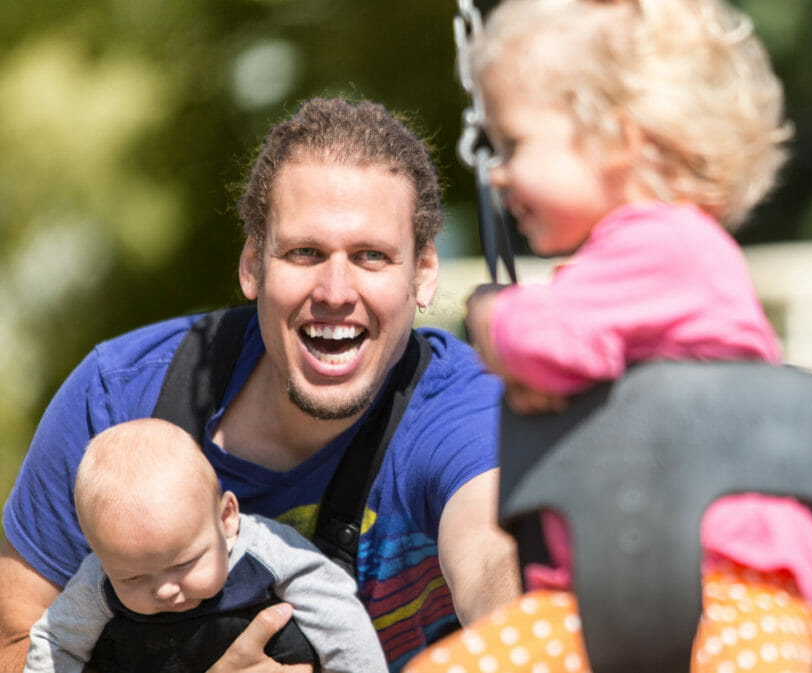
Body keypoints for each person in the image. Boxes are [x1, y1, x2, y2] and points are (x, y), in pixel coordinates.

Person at [1, 97, 520, 673]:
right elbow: (14, 642)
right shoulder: (116, 401)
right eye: (305, 252)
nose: (335, 291)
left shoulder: (459, 410)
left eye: (372, 256)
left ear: (422, 274)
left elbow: (495, 561)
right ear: (253, 266)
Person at [404, 1, 812, 672]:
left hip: (725, 595)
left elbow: (552, 339)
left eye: (515, 144)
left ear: (619, 139)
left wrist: (491, 315)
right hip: (656, 594)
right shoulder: (644, 257)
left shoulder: (660, 241)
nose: (497, 172)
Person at [24, 418, 388, 673]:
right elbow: (56, 641)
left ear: (227, 518)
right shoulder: (98, 581)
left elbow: (337, 612)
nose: (165, 589)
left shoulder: (267, 550)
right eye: (133, 579)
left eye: (184, 563)